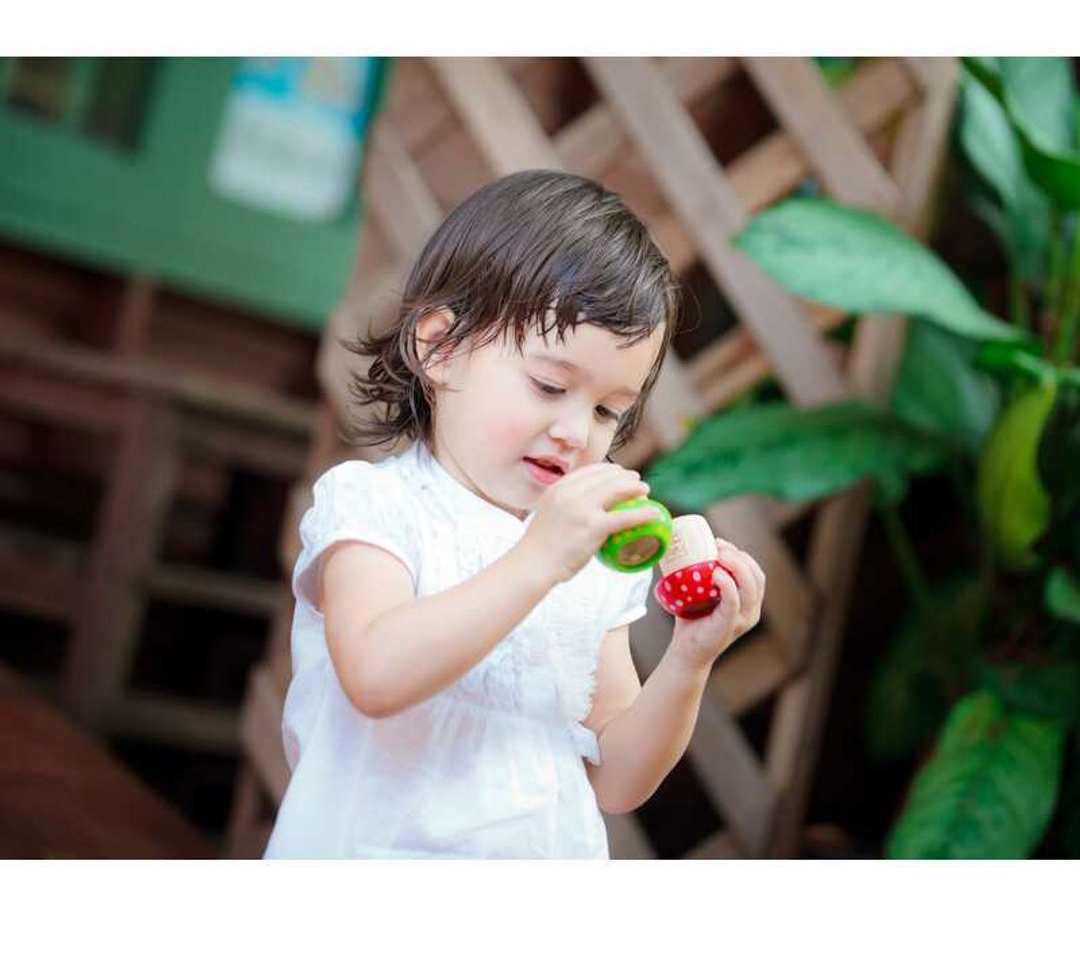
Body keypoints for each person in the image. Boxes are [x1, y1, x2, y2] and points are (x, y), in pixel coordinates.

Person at [264, 169, 766, 859]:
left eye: (605, 411)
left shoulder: (588, 558)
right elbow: (376, 675)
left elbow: (615, 779)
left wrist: (690, 659)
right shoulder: (376, 506)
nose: (573, 430)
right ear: (439, 348)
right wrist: (536, 562)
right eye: (549, 385)